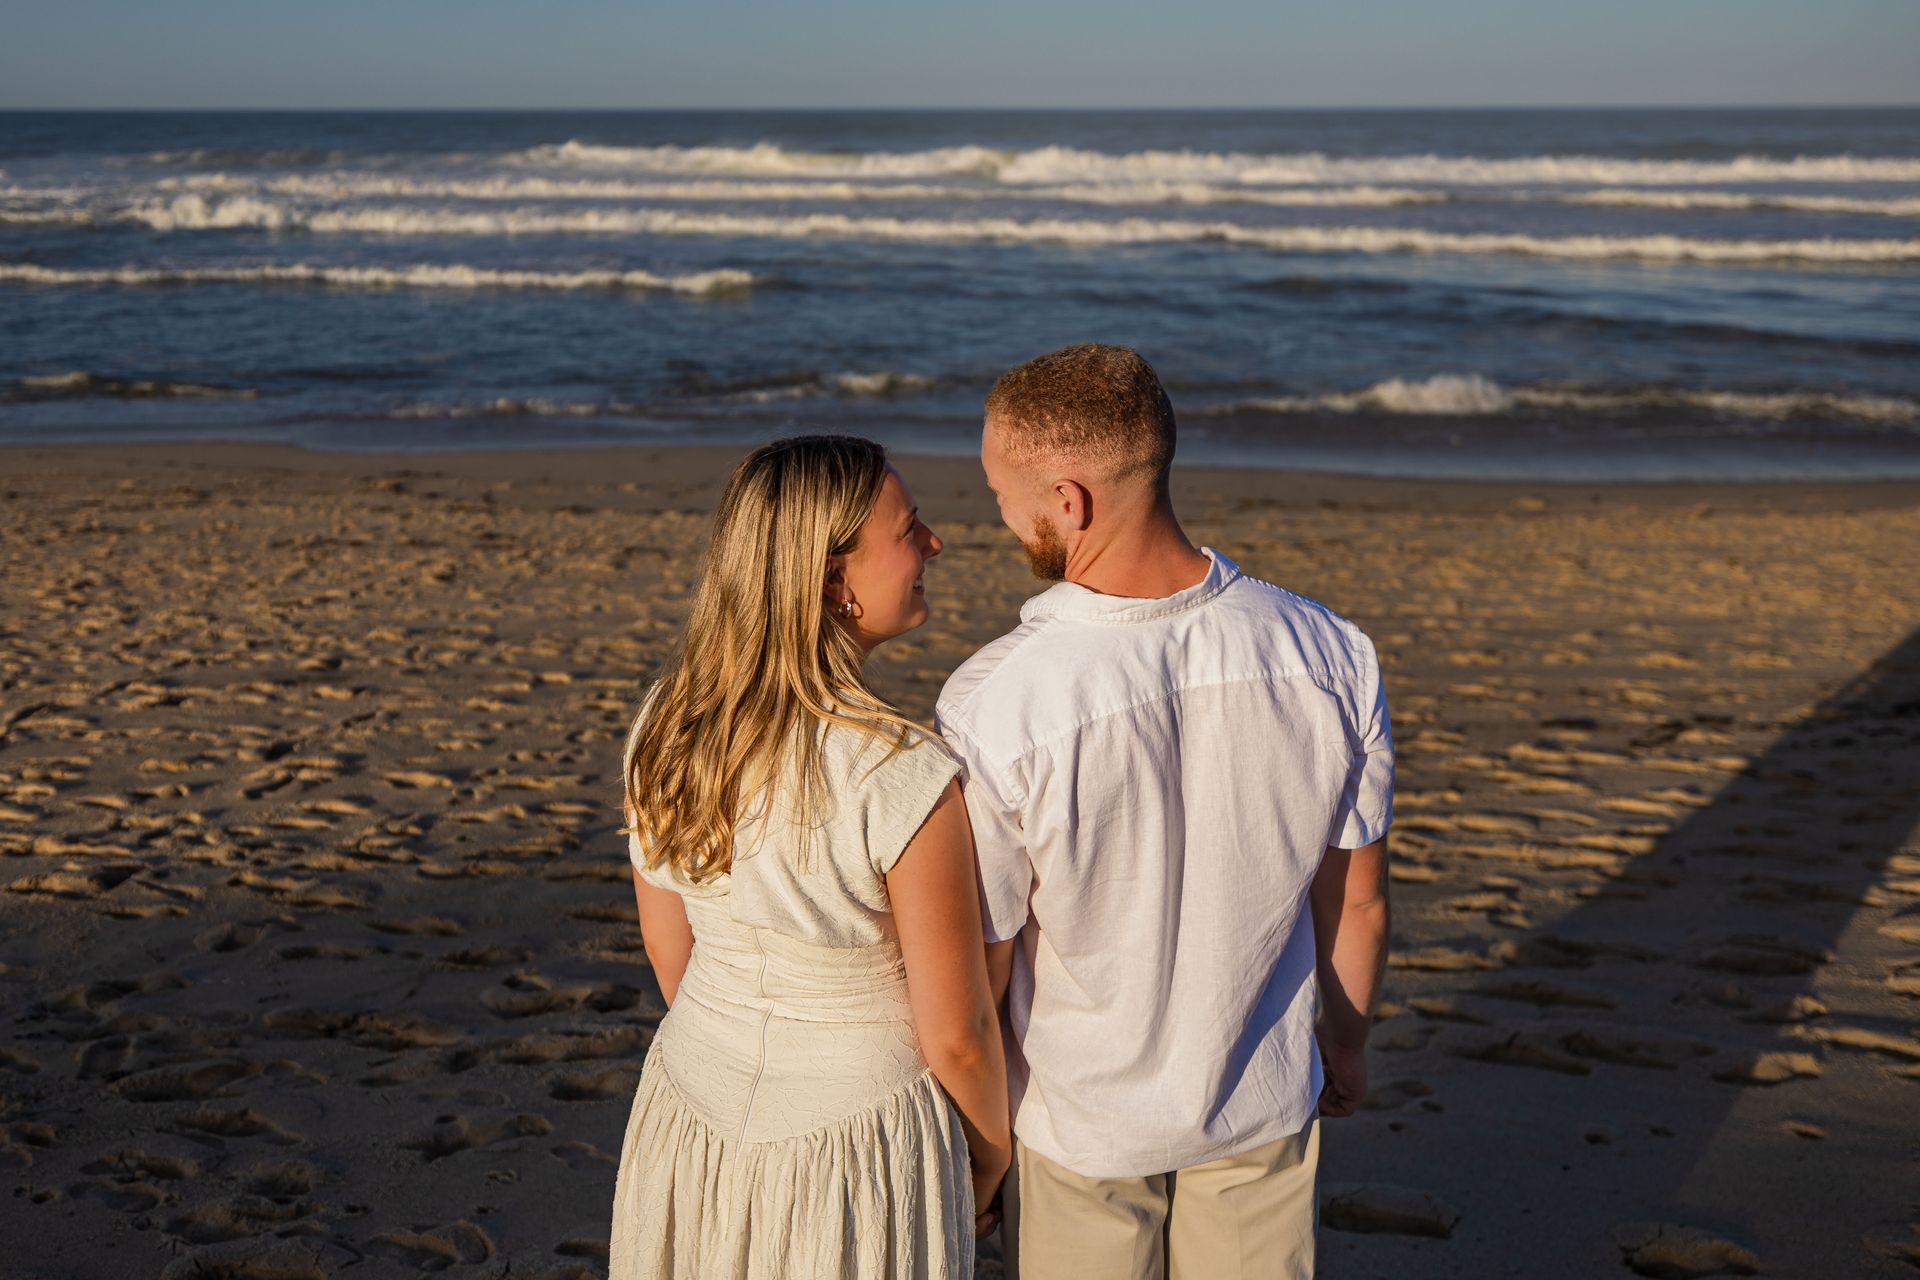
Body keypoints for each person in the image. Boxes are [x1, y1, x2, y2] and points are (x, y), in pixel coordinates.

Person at [934, 345, 1394, 1280]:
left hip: (1082, 1121)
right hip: (1260, 1097)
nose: (997, 516)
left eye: (999, 493)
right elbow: (1356, 904)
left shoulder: (998, 702)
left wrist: (980, 1155)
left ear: (1068, 502)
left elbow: (984, 964)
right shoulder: (1331, 652)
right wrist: (1346, 1047)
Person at [609, 435, 1012, 1280]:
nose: (934, 543)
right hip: (856, 1136)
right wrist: (983, 1168)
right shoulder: (901, 773)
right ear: (835, 582)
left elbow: (668, 947)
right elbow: (959, 1036)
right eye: (910, 530)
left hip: (692, 1102)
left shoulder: (668, 725)